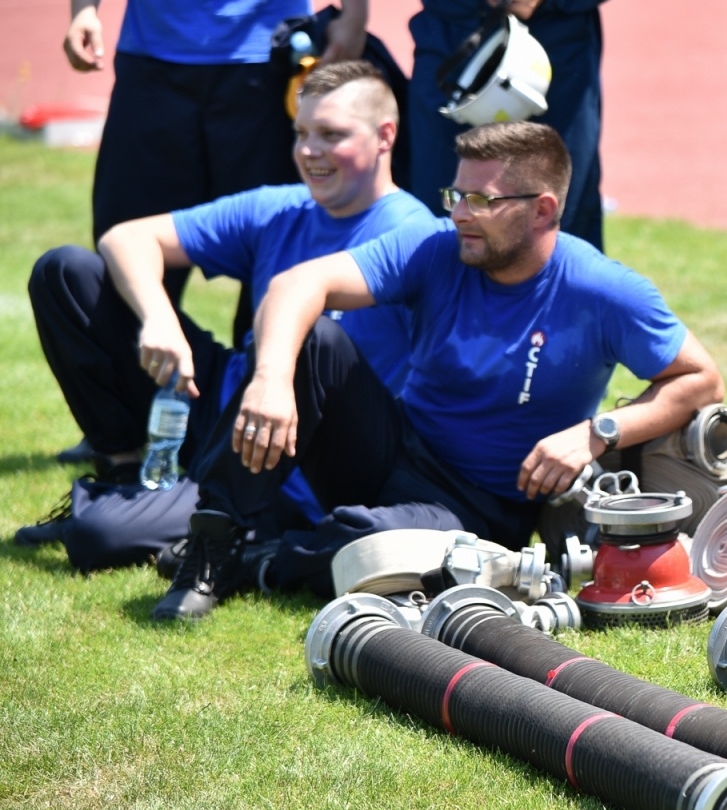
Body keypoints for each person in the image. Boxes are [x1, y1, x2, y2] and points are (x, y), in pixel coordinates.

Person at [160, 121, 723, 617]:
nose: (458, 213)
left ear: (543, 209)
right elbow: (297, 283)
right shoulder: (437, 245)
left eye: (481, 199)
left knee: (372, 547)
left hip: (480, 507)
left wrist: (597, 433)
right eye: (456, 193)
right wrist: (271, 379)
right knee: (315, 342)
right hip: (395, 450)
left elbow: (701, 379)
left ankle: (268, 559)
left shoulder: (601, 288)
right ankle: (212, 544)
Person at [21, 62, 433, 583]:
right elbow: (125, 238)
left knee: (97, 536)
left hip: (293, 455)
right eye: (302, 133)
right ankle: (126, 472)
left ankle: (153, 509)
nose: (310, 151)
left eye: (332, 135)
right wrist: (158, 319)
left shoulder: (417, 239)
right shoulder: (281, 208)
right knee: (67, 272)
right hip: (223, 405)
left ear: (385, 137)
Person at [63, 0, 372, 350]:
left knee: (277, 267)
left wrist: (356, 13)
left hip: (265, 68)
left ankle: (262, 413)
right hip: (152, 66)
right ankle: (132, 422)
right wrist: (83, 6)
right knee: (125, 258)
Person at [374, 0, 667, 251]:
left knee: (556, 219)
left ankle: (557, 312)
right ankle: (441, 312)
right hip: (450, 17)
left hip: (552, 24)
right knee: (439, 209)